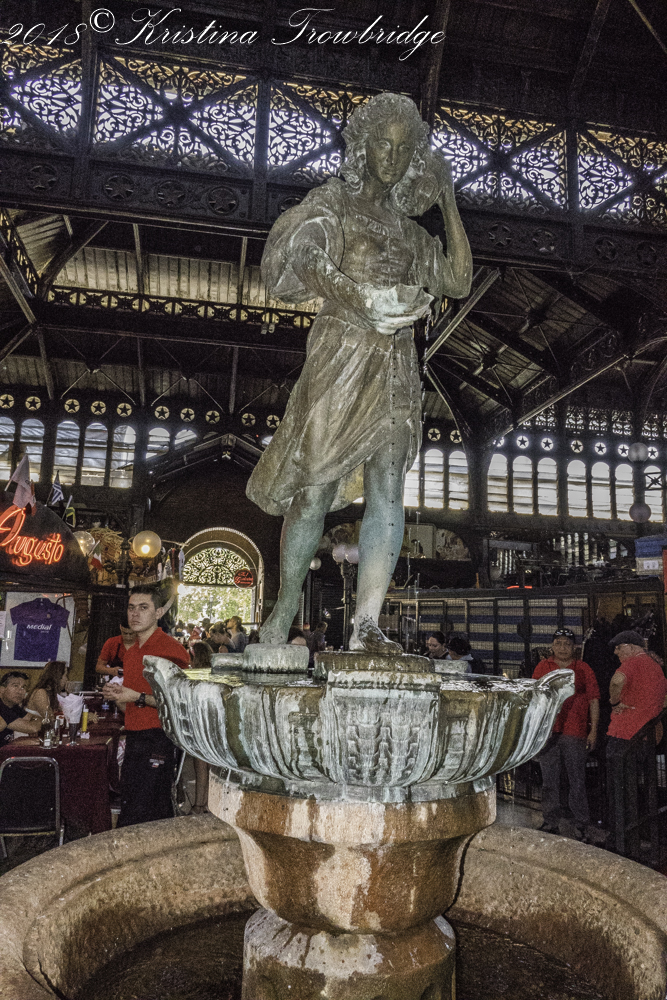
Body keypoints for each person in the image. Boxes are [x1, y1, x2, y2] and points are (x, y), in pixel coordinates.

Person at [247, 92, 472, 653]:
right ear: (364, 147)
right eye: (384, 145)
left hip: (396, 363)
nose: (392, 158)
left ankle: (367, 623)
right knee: (315, 490)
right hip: (341, 354)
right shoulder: (335, 203)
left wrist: (447, 197)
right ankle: (283, 610)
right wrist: (361, 298)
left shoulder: (411, 233)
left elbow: (458, 279)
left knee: (388, 489)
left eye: (404, 149)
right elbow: (305, 258)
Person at [102, 585, 190, 827]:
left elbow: (180, 702)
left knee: (150, 809)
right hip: (135, 736)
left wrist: (136, 697)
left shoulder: (171, 649)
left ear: (158, 612)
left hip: (160, 736)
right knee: (133, 803)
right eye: (131, 608)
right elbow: (130, 703)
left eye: (143, 608)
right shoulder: (131, 653)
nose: (135, 614)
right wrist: (118, 696)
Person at [532, 628, 600, 840]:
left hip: (575, 731)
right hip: (548, 732)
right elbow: (534, 697)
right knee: (548, 780)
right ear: (552, 646)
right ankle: (550, 820)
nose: (562, 648)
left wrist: (593, 730)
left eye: (567, 644)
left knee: (577, 780)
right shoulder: (543, 667)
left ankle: (581, 822)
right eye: (558, 643)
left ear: (574, 647)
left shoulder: (583, 668)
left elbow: (594, 699)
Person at [605, 630, 667, 847]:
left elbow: (617, 681)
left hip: (624, 736)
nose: (616, 652)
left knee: (618, 790)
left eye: (619, 647)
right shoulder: (655, 667)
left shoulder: (633, 663)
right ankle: (636, 837)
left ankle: (619, 840)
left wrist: (614, 702)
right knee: (635, 788)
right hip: (646, 737)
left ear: (631, 647)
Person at [0, 672, 41, 746]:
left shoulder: (13, 706)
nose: (20, 691)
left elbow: (35, 718)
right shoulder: (2, 708)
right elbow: (33, 728)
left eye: (23, 687)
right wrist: (15, 743)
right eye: (15, 686)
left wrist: (34, 721)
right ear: (2, 689)